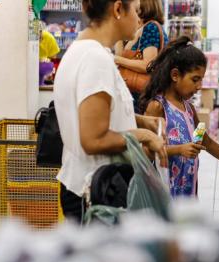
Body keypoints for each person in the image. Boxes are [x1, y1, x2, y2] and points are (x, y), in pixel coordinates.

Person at [53, 0, 167, 223]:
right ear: (117, 10)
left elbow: (96, 115)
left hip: (88, 184)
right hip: (96, 191)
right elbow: (93, 139)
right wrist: (145, 136)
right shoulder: (96, 60)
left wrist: (142, 121)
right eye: (135, 10)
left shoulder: (83, 51)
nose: (138, 19)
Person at [141, 36, 219, 197]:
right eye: (195, 79)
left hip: (188, 192)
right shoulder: (157, 107)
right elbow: (145, 151)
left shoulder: (188, 108)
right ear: (175, 75)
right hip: (162, 194)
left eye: (201, 80)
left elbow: (207, 142)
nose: (199, 86)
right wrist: (179, 150)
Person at [114, 0, 168, 113]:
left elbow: (148, 64)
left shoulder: (150, 28)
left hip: (142, 96)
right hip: (137, 94)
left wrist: (117, 59)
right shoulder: (140, 28)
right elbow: (120, 56)